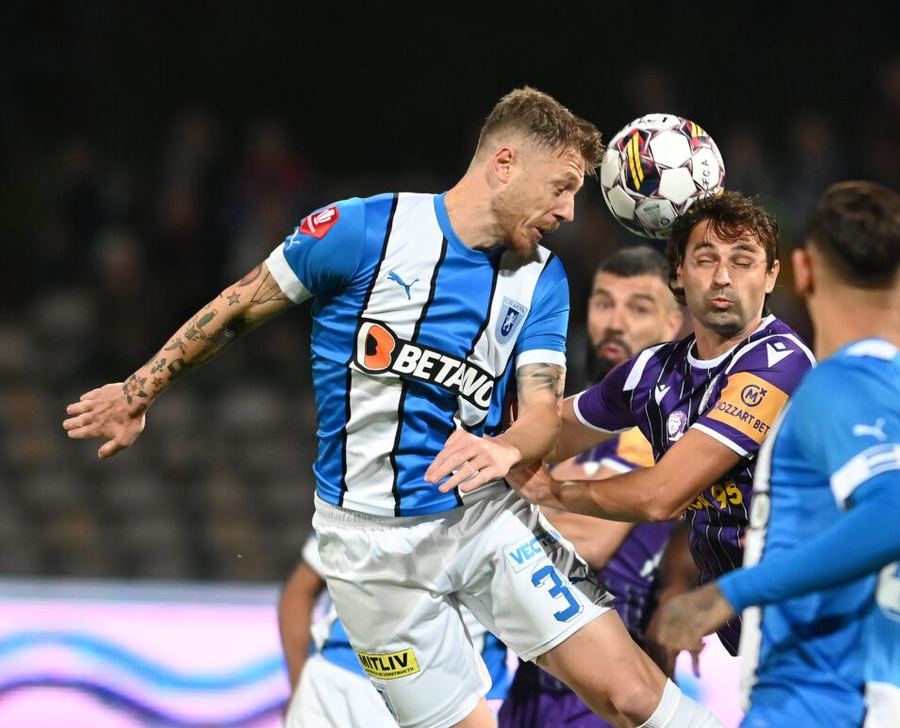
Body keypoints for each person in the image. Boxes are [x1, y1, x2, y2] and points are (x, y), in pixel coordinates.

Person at [64, 86, 721, 728]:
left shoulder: (539, 276)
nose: (571, 211)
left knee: (632, 695)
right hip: (367, 553)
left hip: (481, 517)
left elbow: (545, 410)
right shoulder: (361, 231)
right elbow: (240, 305)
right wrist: (137, 391)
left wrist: (506, 446)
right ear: (504, 164)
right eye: (562, 186)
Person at [652, 180, 900, 727]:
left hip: (813, 701)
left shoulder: (839, 386)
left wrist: (730, 592)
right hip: (894, 707)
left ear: (801, 272)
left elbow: (895, 518)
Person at [506, 191, 815, 656]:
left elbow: (660, 497)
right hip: (750, 633)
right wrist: (491, 434)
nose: (723, 277)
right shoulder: (653, 371)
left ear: (772, 275)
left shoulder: (781, 362)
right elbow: (546, 431)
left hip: (818, 621)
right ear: (678, 274)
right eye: (705, 259)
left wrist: (553, 493)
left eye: (744, 261)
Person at [499, 245, 688, 727]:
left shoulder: (661, 428)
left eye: (638, 307)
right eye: (604, 303)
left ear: (672, 326)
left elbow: (593, 539)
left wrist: (525, 493)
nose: (616, 322)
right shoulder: (564, 421)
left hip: (606, 689)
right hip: (535, 683)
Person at [278, 534, 511, 727]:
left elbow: (298, 592)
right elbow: (299, 593)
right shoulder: (359, 491)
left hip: (435, 698)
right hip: (340, 684)